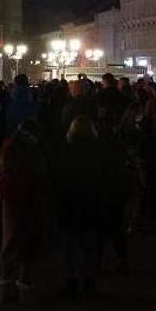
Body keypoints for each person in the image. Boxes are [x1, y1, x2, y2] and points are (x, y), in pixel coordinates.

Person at [0, 120, 48, 303]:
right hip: (29, 200)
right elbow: (40, 175)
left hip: (10, 202)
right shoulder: (32, 151)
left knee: (9, 242)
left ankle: (5, 285)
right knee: (27, 245)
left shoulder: (7, 147)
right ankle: (24, 286)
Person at [55, 115, 107, 298]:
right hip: (91, 203)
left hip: (70, 202)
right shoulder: (98, 152)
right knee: (89, 245)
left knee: (70, 245)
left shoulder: (65, 151)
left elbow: (59, 178)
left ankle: (72, 280)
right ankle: (89, 281)